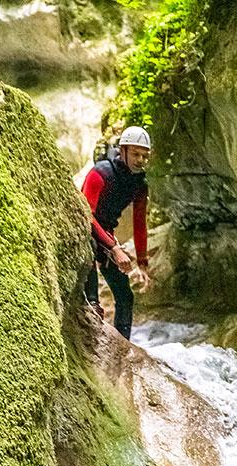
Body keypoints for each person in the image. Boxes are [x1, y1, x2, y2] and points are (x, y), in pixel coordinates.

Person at [81, 126, 152, 341]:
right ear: (123, 150)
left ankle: (123, 345)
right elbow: (86, 216)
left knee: (125, 296)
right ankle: (92, 303)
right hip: (84, 231)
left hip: (106, 235)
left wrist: (142, 262)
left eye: (144, 156)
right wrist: (114, 248)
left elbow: (139, 223)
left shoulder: (139, 185)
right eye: (135, 154)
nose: (140, 160)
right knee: (89, 245)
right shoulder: (101, 173)